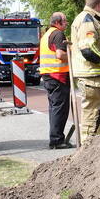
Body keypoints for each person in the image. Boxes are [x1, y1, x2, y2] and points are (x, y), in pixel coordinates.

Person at [70, 0, 100, 139]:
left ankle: (96, 151)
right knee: (93, 116)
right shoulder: (87, 20)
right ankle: (88, 150)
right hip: (91, 75)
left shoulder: (89, 19)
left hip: (94, 75)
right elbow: (88, 50)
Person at [39, 12, 72, 149]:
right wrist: (73, 54)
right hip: (58, 76)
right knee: (60, 109)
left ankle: (56, 138)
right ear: (58, 22)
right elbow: (60, 54)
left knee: (54, 108)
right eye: (65, 21)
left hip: (49, 76)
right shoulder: (58, 34)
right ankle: (57, 140)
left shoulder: (47, 34)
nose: (67, 23)